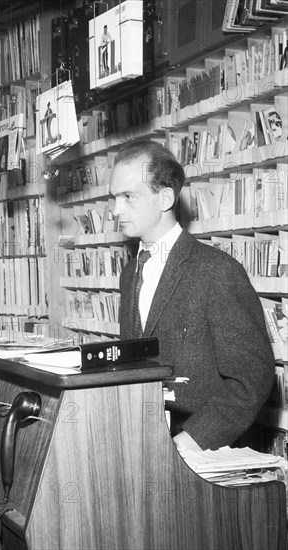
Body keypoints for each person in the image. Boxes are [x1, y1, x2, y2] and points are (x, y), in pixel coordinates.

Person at [110, 140, 274, 452]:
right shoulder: (130, 275)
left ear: (165, 198)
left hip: (202, 456)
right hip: (145, 445)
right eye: (114, 198)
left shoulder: (216, 271)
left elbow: (251, 380)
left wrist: (189, 444)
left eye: (128, 197)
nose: (116, 210)